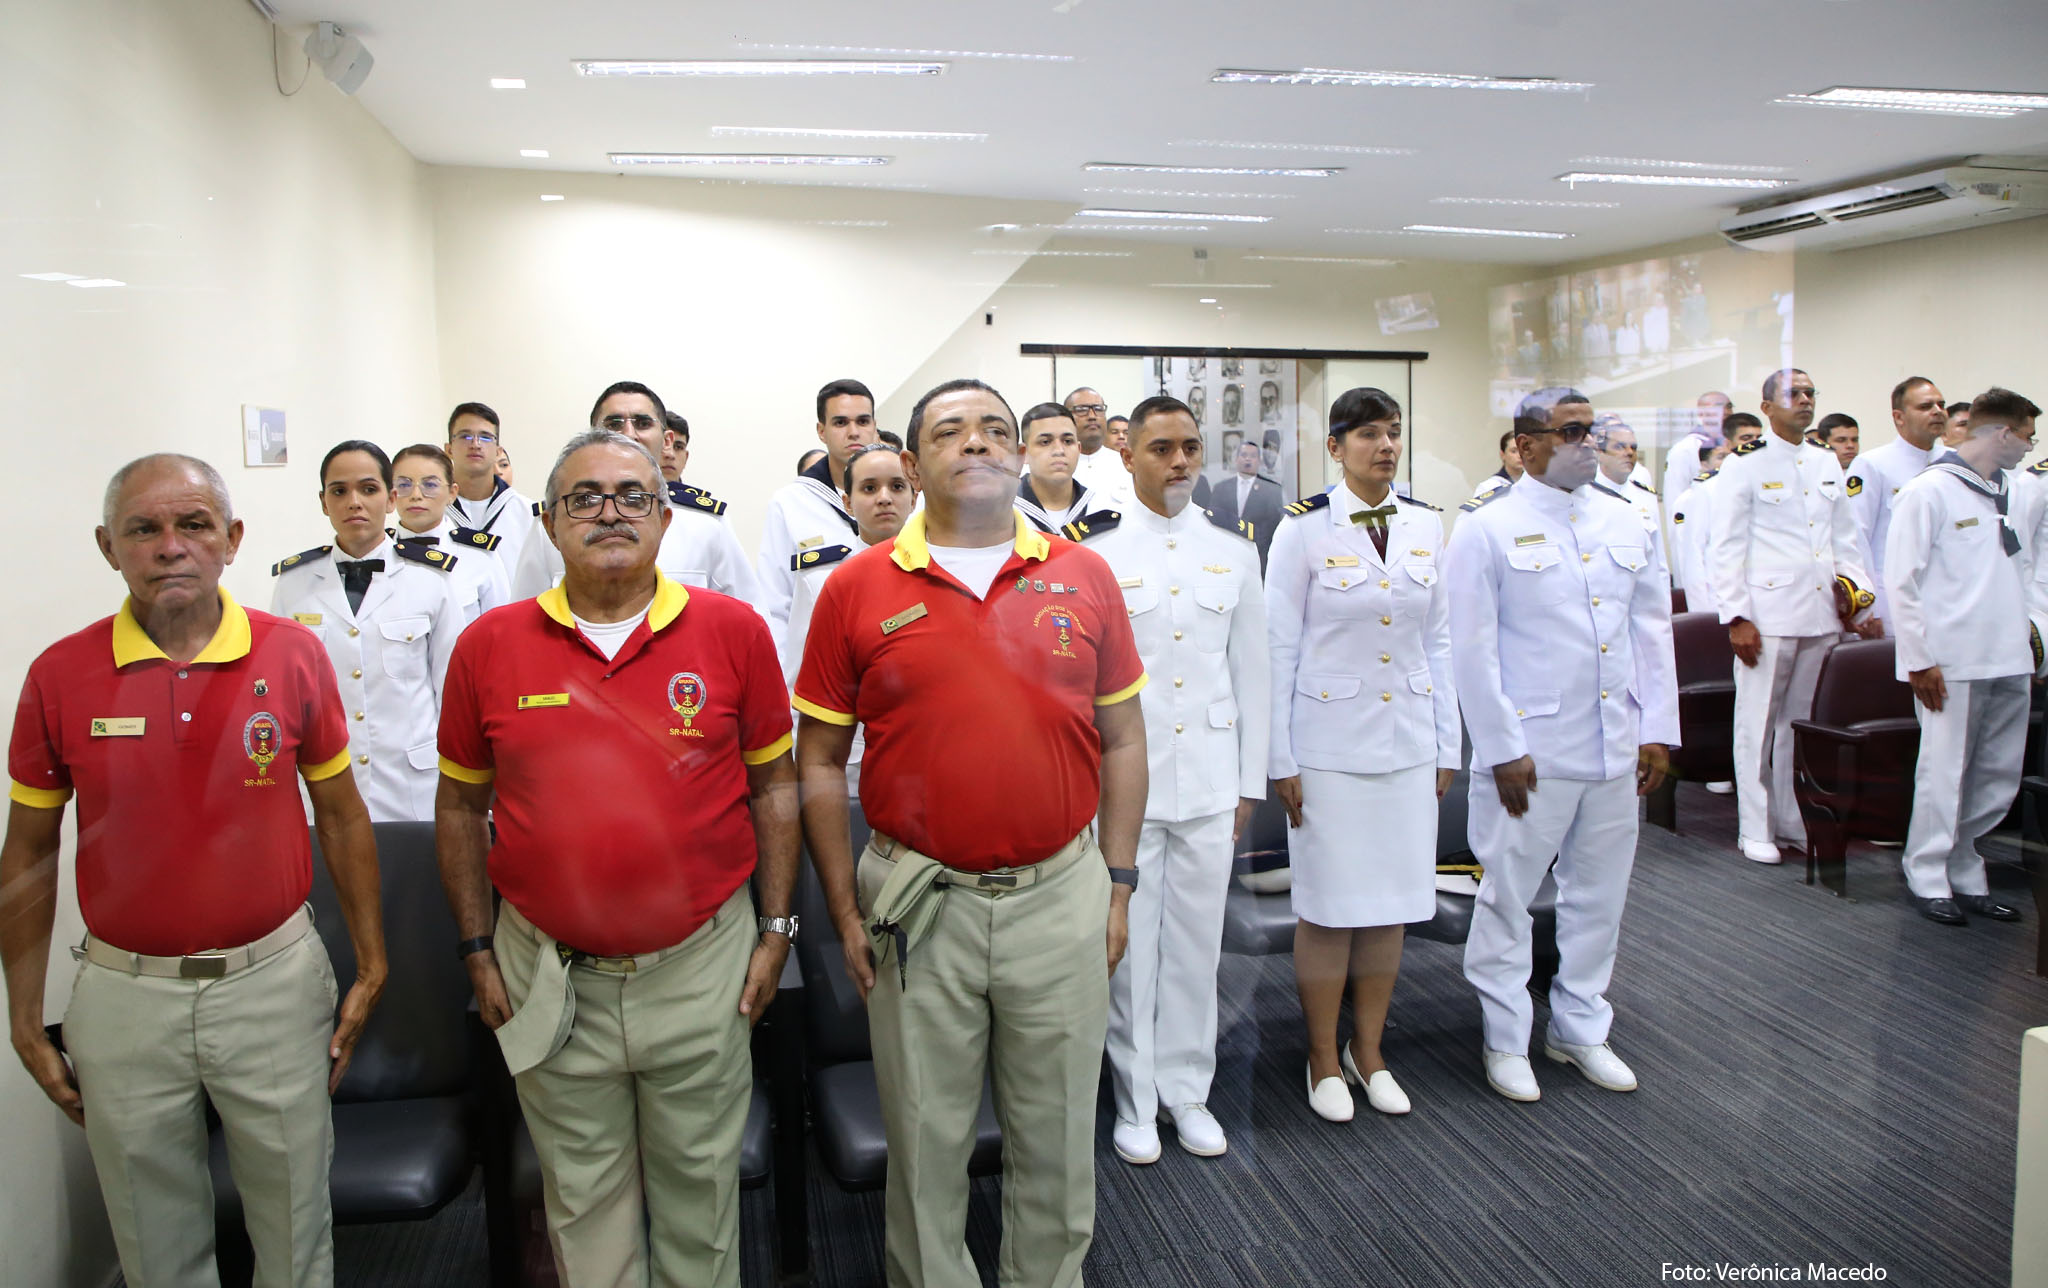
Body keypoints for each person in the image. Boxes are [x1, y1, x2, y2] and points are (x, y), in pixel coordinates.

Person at [793, 378, 1146, 1288]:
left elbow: (1123, 739)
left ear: (1021, 452)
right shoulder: (856, 587)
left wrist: (1117, 884)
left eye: (996, 429)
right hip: (919, 904)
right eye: (951, 431)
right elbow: (819, 762)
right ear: (912, 466)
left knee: (1059, 1135)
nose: (978, 443)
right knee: (925, 1141)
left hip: (1060, 895)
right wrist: (843, 907)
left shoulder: (1084, 574)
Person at [4, 454, 386, 1287]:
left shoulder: (292, 654)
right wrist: (24, 1015)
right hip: (124, 999)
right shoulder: (59, 675)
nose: (170, 546)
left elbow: (342, 814)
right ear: (108, 546)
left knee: (296, 1227)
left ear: (232, 538)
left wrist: (371, 962)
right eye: (143, 529)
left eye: (194, 525)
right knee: (154, 1241)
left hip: (272, 984)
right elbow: (28, 851)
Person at [437, 428, 797, 1287]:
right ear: (549, 522)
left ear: (665, 518)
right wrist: (477, 948)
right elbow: (458, 807)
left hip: (700, 967)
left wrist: (777, 929)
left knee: (701, 1203)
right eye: (585, 498)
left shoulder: (733, 631)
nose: (610, 513)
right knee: (583, 1204)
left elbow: (775, 787)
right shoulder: (489, 645)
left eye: (634, 496)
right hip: (549, 975)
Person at [1447, 388, 1678, 1102]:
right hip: (1531, 751)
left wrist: (1657, 729)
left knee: (1599, 898)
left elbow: (1652, 631)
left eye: (1590, 431)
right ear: (1525, 446)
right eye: (1569, 432)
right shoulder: (1487, 527)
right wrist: (1499, 746)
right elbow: (1471, 649)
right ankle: (1505, 1037)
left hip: (1615, 743)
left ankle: (1580, 1026)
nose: (1587, 444)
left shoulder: (1628, 517)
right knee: (1508, 898)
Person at [1074, 395, 1268, 1163]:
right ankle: (1134, 1097)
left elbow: (1252, 675)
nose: (1180, 460)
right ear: (1128, 457)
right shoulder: (1095, 555)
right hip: (1127, 789)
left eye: (1190, 446)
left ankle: (1189, 1092)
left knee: (1196, 948)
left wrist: (1249, 784)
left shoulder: (1234, 553)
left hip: (1211, 781)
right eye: (1161, 448)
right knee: (1127, 950)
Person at [1269, 387, 1457, 1123]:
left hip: (1407, 741)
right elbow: (1278, 648)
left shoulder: (1425, 524)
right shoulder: (1302, 529)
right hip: (1328, 749)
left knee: (1390, 907)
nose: (1385, 446)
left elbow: (1438, 641)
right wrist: (1280, 758)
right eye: (1369, 434)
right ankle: (1322, 1057)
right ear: (1336, 446)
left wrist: (1447, 743)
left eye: (1394, 433)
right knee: (1328, 907)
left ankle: (1368, 1051)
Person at [1886, 388, 2042, 925]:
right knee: (1944, 771)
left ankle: (1967, 867)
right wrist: (1918, 660)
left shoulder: (2016, 490)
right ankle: (1927, 873)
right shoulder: (1929, 491)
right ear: (2002, 433)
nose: (2030, 447)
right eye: (2026, 436)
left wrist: (2035, 643)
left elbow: (2028, 571)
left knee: (1997, 773)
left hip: (2009, 654)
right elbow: (1901, 582)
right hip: (1950, 661)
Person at [1710, 369, 1877, 865]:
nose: (1804, 401)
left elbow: (1845, 538)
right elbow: (1726, 546)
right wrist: (1737, 617)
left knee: (1797, 726)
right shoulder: (1744, 463)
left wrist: (1857, 598)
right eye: (1793, 394)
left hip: (1820, 613)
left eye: (1809, 393)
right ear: (1766, 407)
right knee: (1756, 725)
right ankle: (1754, 826)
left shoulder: (1824, 460)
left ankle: (1789, 820)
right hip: (1767, 615)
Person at [271, 440, 466, 823]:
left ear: (391, 498)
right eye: (339, 491)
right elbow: (284, 696)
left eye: (368, 489)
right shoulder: (293, 584)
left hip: (412, 788)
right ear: (324, 502)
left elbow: (452, 692)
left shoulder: (430, 579)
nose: (354, 502)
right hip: (325, 790)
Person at [512, 382, 760, 604]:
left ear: (667, 440)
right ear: (593, 436)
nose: (629, 434)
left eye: (642, 423)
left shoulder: (706, 526)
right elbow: (523, 619)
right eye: (614, 424)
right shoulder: (559, 522)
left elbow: (749, 619)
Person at [756, 379, 879, 653]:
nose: (853, 432)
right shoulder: (790, 503)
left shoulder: (907, 496)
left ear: (874, 426)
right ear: (821, 431)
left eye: (862, 421)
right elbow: (774, 603)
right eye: (840, 423)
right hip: (818, 661)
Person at [1844, 378, 1949, 635]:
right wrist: (1869, 607)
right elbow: (1857, 538)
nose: (1937, 411)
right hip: (1893, 602)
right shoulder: (1873, 464)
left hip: (1949, 601)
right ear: (1899, 417)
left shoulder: (1955, 463)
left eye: (1941, 404)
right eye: (1925, 406)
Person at [393, 443, 512, 623]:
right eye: (404, 484)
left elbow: (501, 628)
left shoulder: (479, 556)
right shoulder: (379, 554)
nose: (416, 495)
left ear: (452, 493)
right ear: (391, 493)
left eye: (430, 485)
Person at [446, 401, 537, 581]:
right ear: (449, 449)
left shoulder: (529, 514)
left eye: (486, 437)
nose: (476, 444)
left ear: (498, 451)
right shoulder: (435, 511)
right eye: (465, 436)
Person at [1592, 421, 1666, 572]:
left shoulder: (1645, 495)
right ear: (1600, 453)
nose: (1629, 453)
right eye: (1619, 447)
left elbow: (1658, 559)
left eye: (1633, 447)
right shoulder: (1586, 495)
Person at [1014, 403, 1097, 533]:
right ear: (1023, 453)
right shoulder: (1004, 511)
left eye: (1068, 441)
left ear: (1079, 449)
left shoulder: (1100, 509)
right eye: (1045, 442)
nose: (1059, 450)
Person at [1207, 437, 1285, 568]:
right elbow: (1213, 522)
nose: (1248, 459)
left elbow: (1272, 527)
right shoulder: (1220, 488)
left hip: (1259, 558)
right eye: (1244, 455)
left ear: (1259, 461)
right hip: (1226, 556)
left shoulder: (1272, 490)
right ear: (1236, 459)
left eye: (1253, 456)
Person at [1662, 391, 1731, 529]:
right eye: (1718, 406)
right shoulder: (1685, 449)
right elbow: (1675, 500)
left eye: (1728, 407)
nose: (1726, 412)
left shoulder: (1731, 445)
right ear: (1701, 413)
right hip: (1698, 527)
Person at [1066, 385, 1131, 499]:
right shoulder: (1055, 464)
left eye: (1098, 409)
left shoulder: (1127, 465)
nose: (1092, 416)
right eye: (1082, 410)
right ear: (1065, 417)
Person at [1471, 430, 1524, 501]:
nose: (1520, 455)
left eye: (1523, 450)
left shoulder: (1534, 484)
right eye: (1514, 451)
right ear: (1502, 455)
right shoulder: (1489, 486)